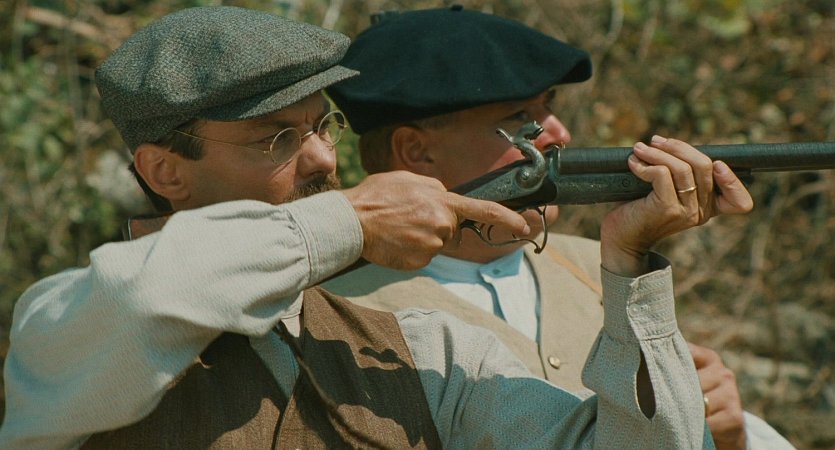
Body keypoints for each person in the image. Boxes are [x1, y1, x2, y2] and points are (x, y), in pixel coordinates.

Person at [0, 5, 734, 450]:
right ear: (165, 172)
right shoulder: (62, 322)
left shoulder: (420, 345)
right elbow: (149, 293)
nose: (325, 158)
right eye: (276, 139)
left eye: (321, 126)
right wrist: (352, 219)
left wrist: (630, 265)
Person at [324, 6, 793, 450]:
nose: (560, 133)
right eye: (519, 117)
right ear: (416, 151)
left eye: (548, 105)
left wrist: (728, 436)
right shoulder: (334, 310)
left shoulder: (601, 266)